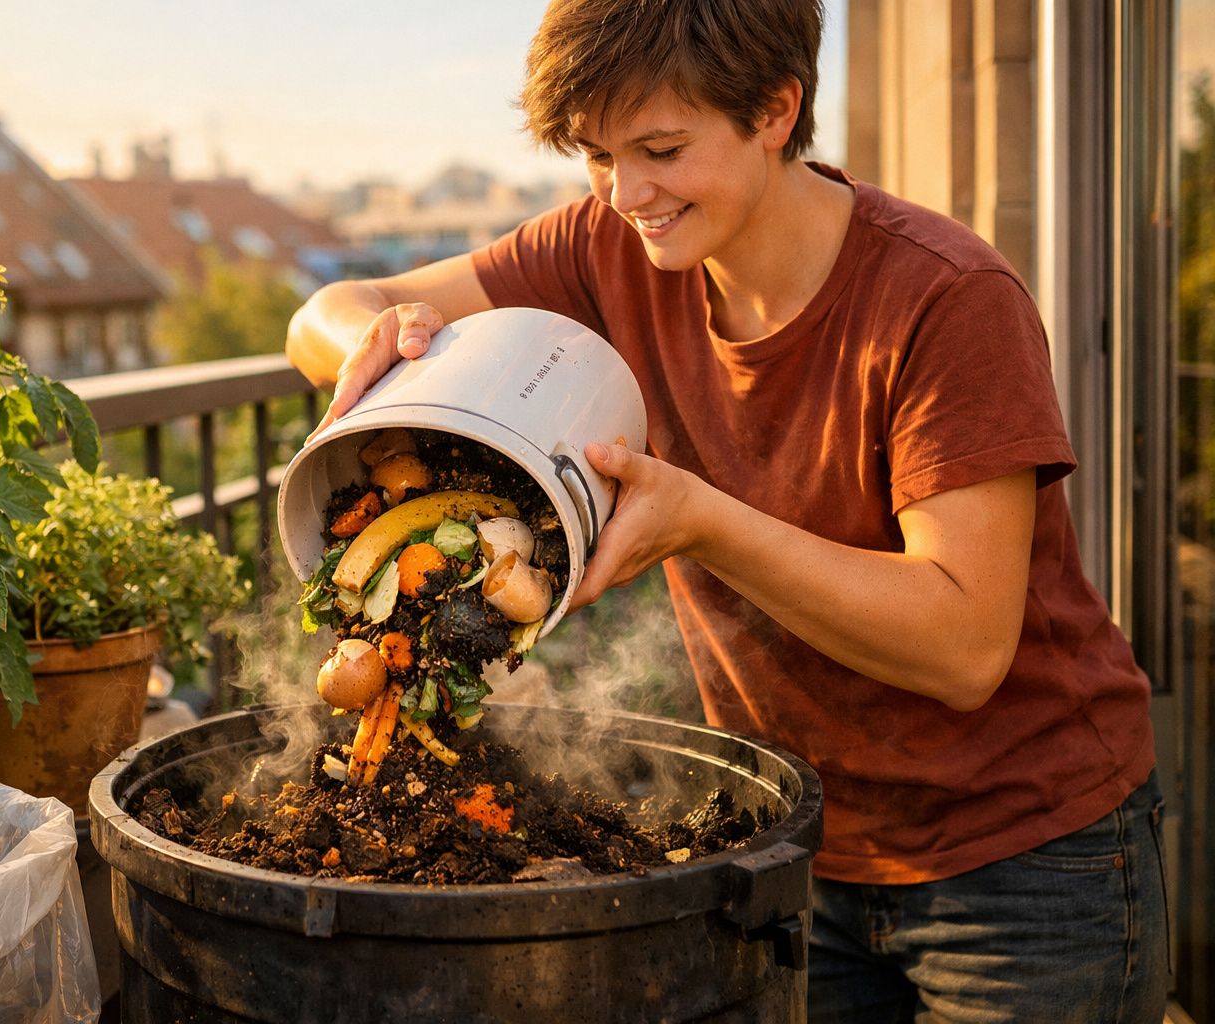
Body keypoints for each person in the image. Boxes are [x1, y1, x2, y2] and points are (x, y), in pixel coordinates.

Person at [286, 0, 1168, 1018]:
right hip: (794, 837)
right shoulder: (608, 246)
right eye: (596, 155)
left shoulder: (947, 298)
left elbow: (964, 646)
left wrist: (700, 522)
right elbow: (326, 312)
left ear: (776, 112)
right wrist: (387, 339)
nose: (625, 194)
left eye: (660, 149)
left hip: (1029, 866)